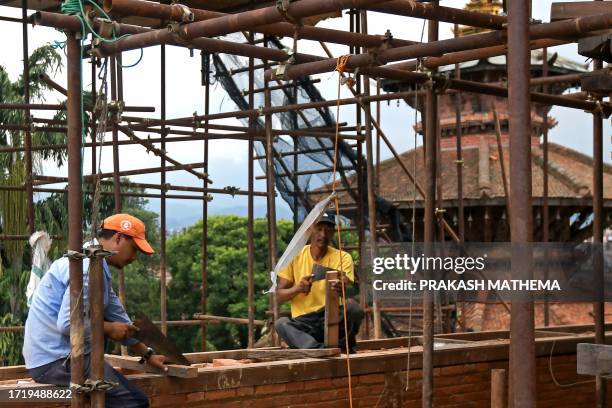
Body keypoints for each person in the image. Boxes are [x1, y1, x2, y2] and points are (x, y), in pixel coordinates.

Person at [23, 214, 166, 408]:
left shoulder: (97, 264)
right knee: (134, 403)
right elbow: (68, 325)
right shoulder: (86, 267)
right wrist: (108, 329)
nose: (134, 257)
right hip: (56, 361)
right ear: (118, 238)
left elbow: (119, 317)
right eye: (134, 249)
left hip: (62, 357)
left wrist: (147, 354)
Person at [275, 212, 363, 352]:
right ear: (310, 230)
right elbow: (277, 297)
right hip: (305, 322)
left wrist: (341, 288)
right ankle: (316, 349)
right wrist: (297, 288)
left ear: (333, 233)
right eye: (319, 229)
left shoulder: (343, 257)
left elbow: (348, 286)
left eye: (328, 230)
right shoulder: (294, 256)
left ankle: (340, 345)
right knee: (281, 323)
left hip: (332, 317)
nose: (323, 234)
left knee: (354, 308)